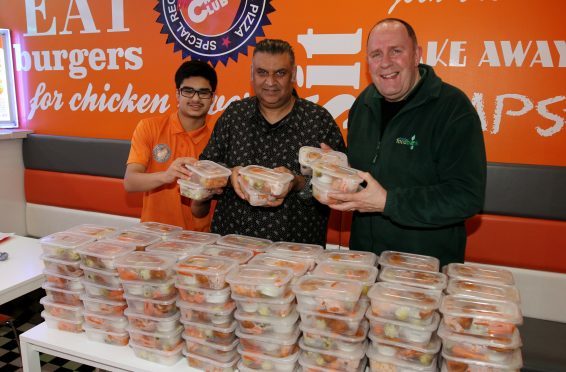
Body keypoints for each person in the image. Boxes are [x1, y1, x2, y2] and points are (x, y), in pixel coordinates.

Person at [328, 18, 486, 267]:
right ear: (368, 63)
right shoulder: (363, 104)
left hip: (423, 271)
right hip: (364, 265)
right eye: (376, 54)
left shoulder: (453, 108)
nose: (386, 62)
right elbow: (368, 173)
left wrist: (388, 202)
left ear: (416, 55)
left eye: (396, 51)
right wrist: (335, 166)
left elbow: (466, 196)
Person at [193, 39, 345, 246]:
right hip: (231, 249)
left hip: (296, 252)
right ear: (251, 74)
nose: (270, 82)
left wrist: (297, 182)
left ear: (293, 74)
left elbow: (338, 186)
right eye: (262, 72)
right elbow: (205, 167)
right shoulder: (234, 115)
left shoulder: (318, 120)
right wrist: (230, 175)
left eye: (280, 73)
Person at [124, 60, 218, 231]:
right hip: (153, 236)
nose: (196, 98)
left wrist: (203, 194)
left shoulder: (216, 140)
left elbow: (200, 212)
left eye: (203, 92)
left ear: (212, 98)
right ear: (177, 94)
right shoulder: (150, 127)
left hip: (197, 241)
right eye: (188, 91)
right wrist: (166, 176)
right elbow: (130, 182)